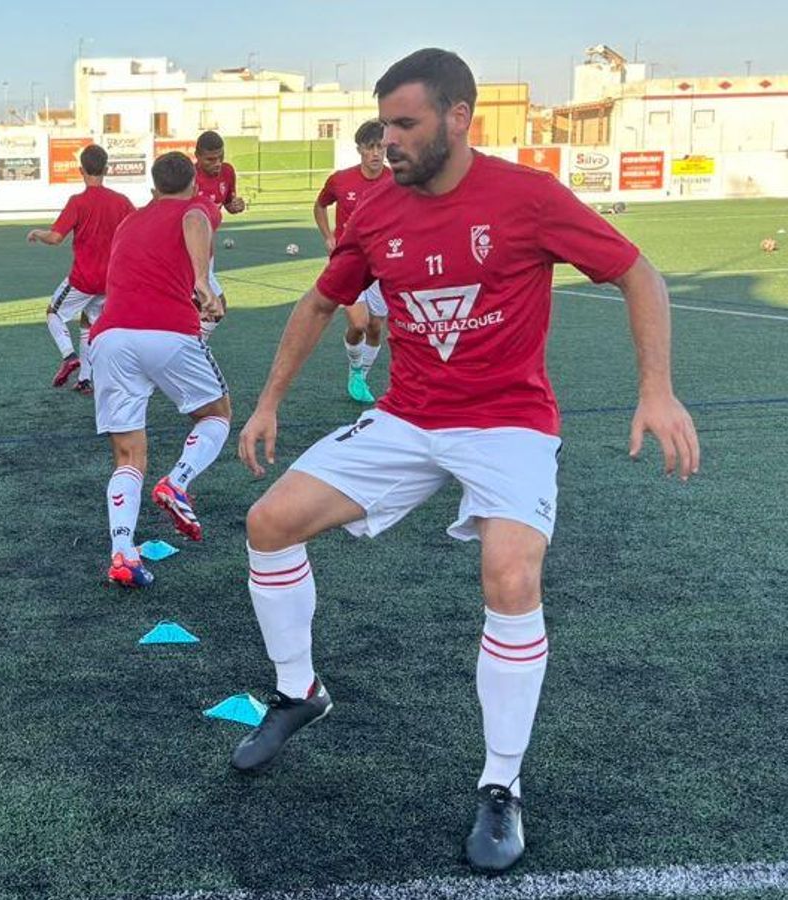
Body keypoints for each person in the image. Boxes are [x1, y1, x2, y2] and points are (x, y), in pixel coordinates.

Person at [230, 48, 700, 874]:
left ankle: (501, 786)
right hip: (408, 417)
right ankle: (299, 691)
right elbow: (320, 301)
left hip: (509, 423)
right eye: (383, 126)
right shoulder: (374, 209)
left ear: (458, 118)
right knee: (269, 524)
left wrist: (655, 391)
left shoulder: (527, 198)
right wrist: (268, 401)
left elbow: (638, 274)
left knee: (511, 576)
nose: (391, 140)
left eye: (406, 124)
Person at [88, 151, 233, 587]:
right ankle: (178, 481)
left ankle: (122, 554)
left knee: (129, 455)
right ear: (193, 183)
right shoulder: (196, 207)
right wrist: (202, 281)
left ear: (152, 186)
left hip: (111, 338)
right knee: (216, 415)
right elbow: (193, 220)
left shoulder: (131, 220)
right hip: (167, 332)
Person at [28, 143, 135, 395]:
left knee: (53, 313)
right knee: (88, 323)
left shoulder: (78, 202)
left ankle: (68, 356)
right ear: (106, 169)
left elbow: (55, 238)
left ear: (80, 170)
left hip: (83, 280)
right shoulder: (121, 202)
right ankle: (86, 379)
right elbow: (136, 231)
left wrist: (36, 233)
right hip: (110, 281)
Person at [315, 119, 393, 403]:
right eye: (370, 147)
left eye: (381, 147)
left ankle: (361, 374)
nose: (376, 154)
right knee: (359, 323)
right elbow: (321, 204)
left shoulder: (394, 182)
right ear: (359, 149)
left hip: (381, 265)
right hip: (348, 262)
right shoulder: (340, 180)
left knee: (375, 327)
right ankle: (355, 370)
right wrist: (327, 236)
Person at [192, 130, 247, 339]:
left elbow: (228, 204)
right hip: (186, 252)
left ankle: (193, 349)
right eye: (210, 159)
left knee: (203, 309)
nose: (217, 163)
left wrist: (236, 205)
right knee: (217, 305)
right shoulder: (190, 176)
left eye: (220, 157)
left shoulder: (227, 172)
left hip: (207, 252)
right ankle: (197, 349)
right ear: (197, 156)